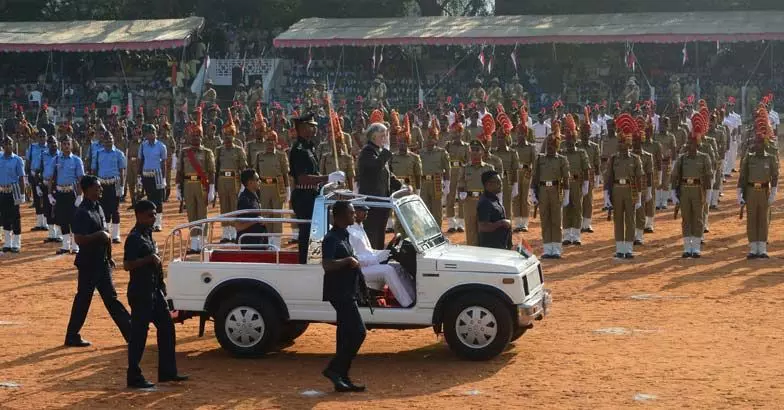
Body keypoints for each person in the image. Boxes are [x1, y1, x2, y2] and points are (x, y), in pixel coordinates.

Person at [123, 199, 188, 388]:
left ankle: (168, 372)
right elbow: (127, 265)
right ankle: (133, 376)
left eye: (154, 214)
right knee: (139, 335)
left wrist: (163, 288)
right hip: (140, 292)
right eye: (150, 214)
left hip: (154, 290)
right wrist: (147, 259)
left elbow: (157, 265)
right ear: (140, 215)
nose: (154, 218)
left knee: (167, 327)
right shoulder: (134, 237)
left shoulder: (148, 234)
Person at [64, 175, 131, 347]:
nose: (100, 189)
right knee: (83, 300)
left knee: (111, 299)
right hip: (88, 264)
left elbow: (106, 235)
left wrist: (109, 257)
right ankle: (72, 335)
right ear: (86, 190)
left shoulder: (98, 208)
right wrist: (99, 236)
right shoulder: (82, 212)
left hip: (102, 263)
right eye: (97, 187)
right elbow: (79, 239)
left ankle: (131, 333)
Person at [321, 200, 366, 393]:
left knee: (345, 333)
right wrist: (348, 260)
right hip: (339, 293)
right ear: (339, 216)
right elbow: (327, 264)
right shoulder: (331, 238)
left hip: (348, 290)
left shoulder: (344, 235)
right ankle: (334, 369)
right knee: (359, 332)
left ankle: (342, 377)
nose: (354, 215)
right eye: (351, 213)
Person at [290, 113, 345, 263]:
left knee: (316, 231)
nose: (314, 130)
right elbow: (302, 177)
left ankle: (313, 258)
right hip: (304, 195)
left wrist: (329, 182)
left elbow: (314, 172)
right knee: (307, 232)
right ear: (301, 128)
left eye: (314, 127)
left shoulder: (309, 147)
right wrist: (328, 177)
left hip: (313, 194)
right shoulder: (299, 149)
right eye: (311, 127)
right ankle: (305, 263)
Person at [348, 204, 415, 307]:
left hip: (368, 265)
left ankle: (412, 298)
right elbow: (354, 258)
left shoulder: (359, 227)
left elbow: (368, 251)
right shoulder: (350, 231)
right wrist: (377, 258)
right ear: (355, 212)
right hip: (358, 271)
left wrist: (383, 253)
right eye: (362, 210)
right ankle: (407, 304)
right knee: (388, 270)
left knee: (398, 267)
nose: (366, 212)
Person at [738, 108, 779, 259]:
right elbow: (743, 176)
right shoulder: (750, 157)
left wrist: (773, 192)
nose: (757, 145)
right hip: (750, 190)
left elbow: (775, 175)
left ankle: (762, 248)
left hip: (763, 190)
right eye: (756, 142)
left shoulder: (770, 157)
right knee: (751, 219)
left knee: (762, 219)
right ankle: (753, 247)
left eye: (760, 142)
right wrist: (739, 194)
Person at [671, 113, 713, 258]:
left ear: (697, 143)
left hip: (698, 190)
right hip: (684, 190)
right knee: (686, 219)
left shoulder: (704, 157)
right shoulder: (682, 159)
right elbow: (674, 175)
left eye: (692, 143)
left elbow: (708, 177)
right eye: (688, 143)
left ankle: (695, 247)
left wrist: (708, 194)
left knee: (698, 218)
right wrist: (673, 194)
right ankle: (686, 246)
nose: (689, 146)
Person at [177, 108, 216, 254]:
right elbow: (180, 171)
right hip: (188, 185)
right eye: (193, 136)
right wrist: (178, 188)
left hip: (202, 186)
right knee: (192, 215)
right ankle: (194, 245)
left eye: (198, 136)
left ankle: (204, 243)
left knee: (202, 215)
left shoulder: (207, 152)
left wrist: (212, 189)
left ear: (201, 138)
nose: (195, 138)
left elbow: (211, 172)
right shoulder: (184, 152)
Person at [605, 114, 644, 259]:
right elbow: (608, 177)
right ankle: (619, 248)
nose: (621, 145)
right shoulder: (613, 159)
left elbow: (639, 178)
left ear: (628, 144)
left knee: (630, 218)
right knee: (618, 219)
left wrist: (639, 196)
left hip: (630, 190)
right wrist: (606, 196)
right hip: (616, 190)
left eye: (624, 143)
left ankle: (628, 248)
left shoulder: (635, 159)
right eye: (619, 143)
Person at [357, 119, 399, 249]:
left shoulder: (379, 152)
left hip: (382, 202)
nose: (385, 139)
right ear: (374, 136)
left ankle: (379, 260)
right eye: (383, 136)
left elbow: (387, 175)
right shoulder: (367, 152)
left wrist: (401, 186)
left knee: (380, 235)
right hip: (372, 204)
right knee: (373, 236)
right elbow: (375, 168)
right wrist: (386, 151)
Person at [531, 124, 570, 259]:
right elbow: (535, 177)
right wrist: (533, 194)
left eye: (553, 146)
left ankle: (557, 249)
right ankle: (548, 248)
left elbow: (566, 179)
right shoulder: (540, 159)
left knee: (556, 220)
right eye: (548, 145)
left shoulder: (562, 160)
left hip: (555, 190)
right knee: (545, 219)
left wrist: (566, 196)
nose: (550, 148)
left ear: (557, 146)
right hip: (542, 190)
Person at [44, 136, 85, 255]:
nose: (66, 146)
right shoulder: (56, 160)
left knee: (74, 220)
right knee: (63, 219)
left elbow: (80, 179)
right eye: (64, 144)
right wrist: (49, 195)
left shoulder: (77, 160)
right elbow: (50, 178)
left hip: (72, 193)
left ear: (71, 145)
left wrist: (79, 196)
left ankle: (76, 245)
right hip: (60, 193)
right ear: (61, 145)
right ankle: (66, 245)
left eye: (68, 144)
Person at [458, 139, 495, 247]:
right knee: (470, 228)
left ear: (482, 152)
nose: (474, 152)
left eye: (477, 150)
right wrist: (461, 194)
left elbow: (494, 186)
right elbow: (461, 183)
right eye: (472, 150)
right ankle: (472, 251)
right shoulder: (465, 168)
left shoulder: (489, 168)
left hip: (484, 201)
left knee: (484, 228)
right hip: (469, 202)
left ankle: (484, 251)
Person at [215, 118, 247, 243]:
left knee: (234, 207)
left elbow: (243, 167)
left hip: (234, 180)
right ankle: (225, 234)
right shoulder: (219, 150)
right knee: (224, 207)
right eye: (225, 135)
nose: (227, 138)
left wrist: (243, 185)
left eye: (229, 135)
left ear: (234, 136)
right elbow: (216, 168)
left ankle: (234, 234)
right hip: (222, 180)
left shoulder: (239, 150)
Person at [559, 115, 590, 246]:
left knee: (577, 208)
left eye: (572, 138)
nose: (570, 141)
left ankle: (576, 235)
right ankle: (566, 235)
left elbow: (586, 169)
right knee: (566, 209)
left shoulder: (581, 153)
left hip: (577, 184)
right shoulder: (561, 153)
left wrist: (586, 185)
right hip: (564, 185)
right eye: (568, 139)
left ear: (575, 139)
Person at [255, 130, 288, 248]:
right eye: (268, 140)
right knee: (266, 214)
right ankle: (268, 241)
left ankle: (276, 243)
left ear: (276, 142)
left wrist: (287, 189)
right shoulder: (259, 155)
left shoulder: (281, 155)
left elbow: (285, 174)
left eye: (272, 141)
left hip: (278, 186)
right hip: (264, 187)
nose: (269, 143)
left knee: (277, 214)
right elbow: (256, 173)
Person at [93, 131, 126, 244]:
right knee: (103, 209)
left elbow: (122, 172)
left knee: (115, 210)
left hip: (114, 183)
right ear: (103, 141)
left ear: (113, 140)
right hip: (102, 184)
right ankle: (105, 232)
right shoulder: (98, 153)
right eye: (106, 139)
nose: (109, 141)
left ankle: (116, 235)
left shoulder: (119, 153)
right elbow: (94, 170)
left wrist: (121, 186)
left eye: (111, 138)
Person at [419, 118, 450, 227]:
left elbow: (447, 169)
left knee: (437, 209)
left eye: (432, 138)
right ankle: (427, 231)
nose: (429, 141)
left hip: (436, 182)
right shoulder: (421, 153)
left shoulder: (442, 152)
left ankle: (438, 231)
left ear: (436, 140)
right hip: (423, 183)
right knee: (424, 208)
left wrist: (447, 184)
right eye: (428, 138)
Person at [138, 124, 167, 231]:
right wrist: (139, 176)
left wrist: (164, 179)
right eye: (149, 132)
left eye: (153, 132)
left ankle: (158, 223)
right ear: (146, 134)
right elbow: (141, 161)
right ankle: (150, 222)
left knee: (158, 199)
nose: (151, 134)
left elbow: (164, 163)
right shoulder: (143, 145)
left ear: (156, 133)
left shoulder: (161, 146)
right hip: (146, 175)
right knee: (150, 199)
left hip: (158, 175)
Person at [0, 135, 25, 252]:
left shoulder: (17, 160)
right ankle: (7, 242)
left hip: (14, 190)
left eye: (10, 143)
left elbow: (21, 178)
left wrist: (22, 194)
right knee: (5, 216)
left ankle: (16, 243)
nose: (8, 145)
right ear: (3, 145)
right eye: (6, 143)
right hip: (2, 191)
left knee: (15, 217)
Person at [577, 110, 600, 234]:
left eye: (587, 133)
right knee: (578, 199)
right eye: (583, 133)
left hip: (589, 176)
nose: (585, 135)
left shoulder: (594, 147)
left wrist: (597, 178)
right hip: (578, 176)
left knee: (589, 200)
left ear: (590, 133)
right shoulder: (576, 146)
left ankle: (587, 223)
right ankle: (578, 223)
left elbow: (597, 163)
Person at [513, 110, 536, 232]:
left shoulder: (531, 147)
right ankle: (517, 222)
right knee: (516, 197)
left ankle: (525, 222)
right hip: (516, 173)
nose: (520, 136)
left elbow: (534, 162)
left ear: (526, 134)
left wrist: (532, 172)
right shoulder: (513, 147)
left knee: (525, 197)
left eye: (522, 134)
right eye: (518, 134)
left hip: (527, 173)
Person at [477, 170, 512, 250]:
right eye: (498, 182)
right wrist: (502, 223)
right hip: (491, 250)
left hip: (500, 246)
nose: (501, 184)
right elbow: (483, 227)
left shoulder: (494, 199)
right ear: (488, 184)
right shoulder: (485, 202)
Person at [444, 120, 469, 232]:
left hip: (462, 173)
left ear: (461, 133)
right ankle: (451, 224)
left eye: (457, 132)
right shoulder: (448, 145)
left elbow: (468, 162)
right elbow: (444, 161)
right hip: (450, 173)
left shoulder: (466, 146)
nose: (455, 135)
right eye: (453, 132)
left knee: (462, 199)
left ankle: (461, 223)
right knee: (450, 198)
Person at [235, 169, 269, 248]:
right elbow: (239, 226)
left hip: (259, 242)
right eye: (257, 179)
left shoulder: (254, 195)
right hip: (250, 245)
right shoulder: (244, 200)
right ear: (250, 182)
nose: (260, 181)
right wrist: (256, 220)